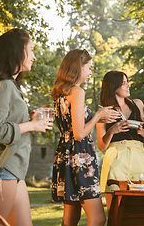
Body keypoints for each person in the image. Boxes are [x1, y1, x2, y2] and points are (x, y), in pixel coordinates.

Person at [50, 49, 119, 226]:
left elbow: (72, 128)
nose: (90, 72)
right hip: (81, 160)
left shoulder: (61, 93)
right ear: (77, 67)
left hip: (66, 157)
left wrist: (99, 117)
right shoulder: (77, 92)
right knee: (97, 219)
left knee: (70, 220)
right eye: (88, 68)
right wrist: (97, 116)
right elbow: (79, 133)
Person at [0, 28, 54, 226]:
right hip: (4, 167)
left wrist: (30, 118)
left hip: (15, 170)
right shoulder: (4, 85)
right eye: (31, 50)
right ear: (17, 51)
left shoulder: (11, 86)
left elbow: (9, 121)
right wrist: (32, 125)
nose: (35, 57)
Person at [96, 70, 144, 210]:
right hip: (115, 159)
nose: (128, 86)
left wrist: (141, 131)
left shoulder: (138, 104)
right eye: (124, 83)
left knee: (143, 208)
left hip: (139, 158)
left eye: (128, 82)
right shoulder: (104, 111)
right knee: (116, 209)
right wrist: (112, 131)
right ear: (114, 86)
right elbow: (101, 146)